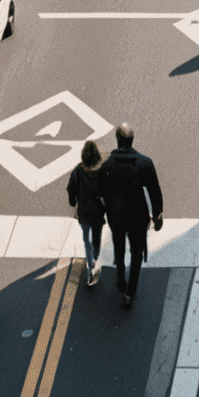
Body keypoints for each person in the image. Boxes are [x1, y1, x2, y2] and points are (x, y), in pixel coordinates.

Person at [100, 123, 164, 308]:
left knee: (118, 247)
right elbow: (154, 191)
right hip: (137, 215)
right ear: (132, 140)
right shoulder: (144, 163)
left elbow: (103, 192)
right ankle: (130, 293)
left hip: (117, 215)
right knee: (137, 251)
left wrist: (106, 211)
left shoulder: (108, 165)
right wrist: (157, 215)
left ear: (118, 140)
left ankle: (121, 279)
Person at [66, 139, 109, 288]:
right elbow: (107, 192)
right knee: (96, 237)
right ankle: (95, 260)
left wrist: (73, 203)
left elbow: (71, 192)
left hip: (83, 211)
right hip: (98, 211)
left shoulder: (77, 171)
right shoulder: (103, 171)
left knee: (86, 239)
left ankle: (90, 264)